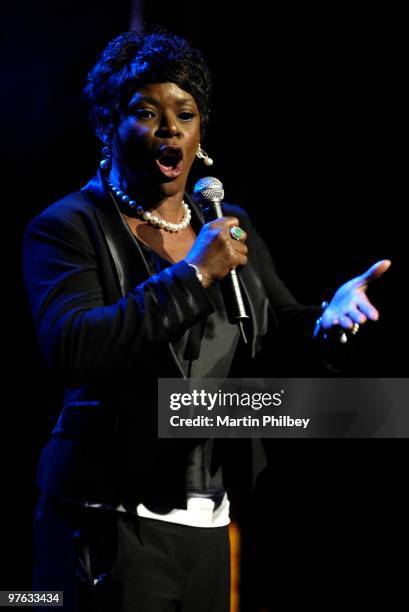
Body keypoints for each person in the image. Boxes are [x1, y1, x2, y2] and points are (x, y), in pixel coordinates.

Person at [23, 29, 390, 612]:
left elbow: (272, 333)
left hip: (209, 524)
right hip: (105, 525)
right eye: (146, 112)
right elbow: (74, 346)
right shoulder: (68, 227)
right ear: (105, 126)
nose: (169, 128)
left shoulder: (225, 223)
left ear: (201, 134)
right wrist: (193, 276)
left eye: (185, 113)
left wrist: (326, 322)